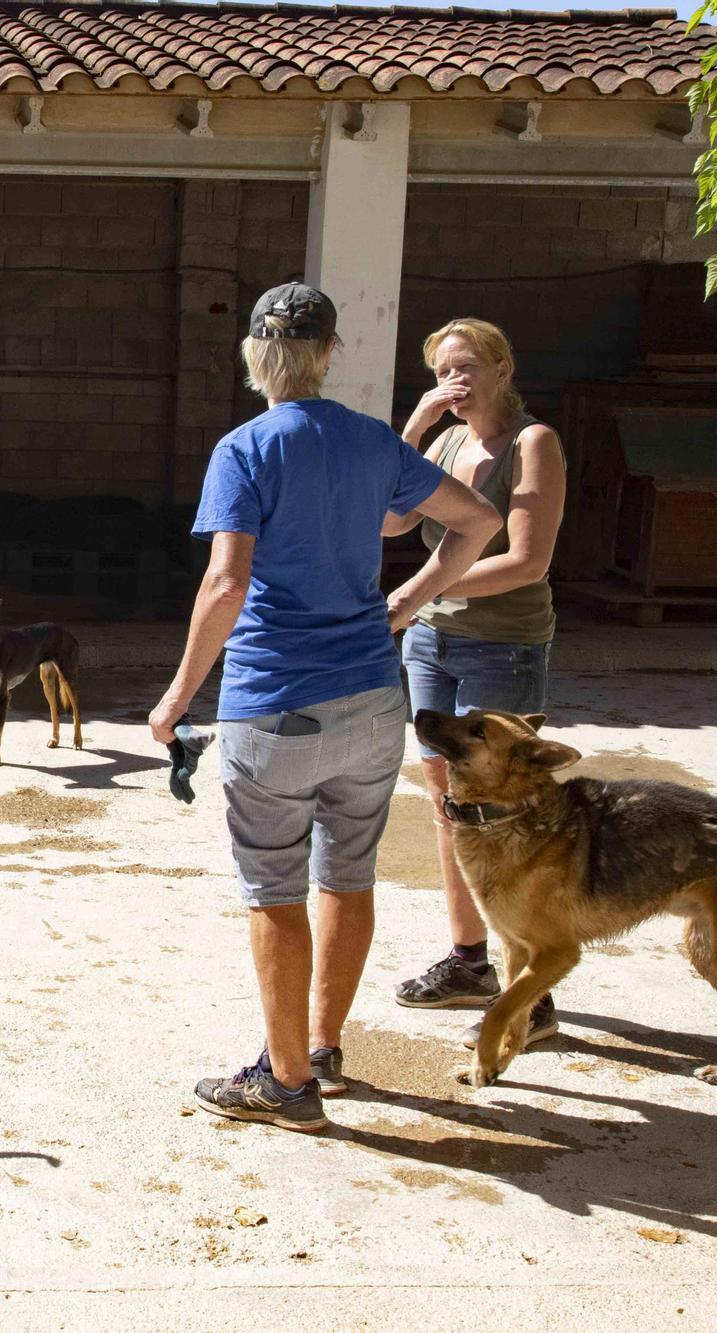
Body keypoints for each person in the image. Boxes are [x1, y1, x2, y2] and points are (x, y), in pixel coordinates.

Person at [150, 283, 499, 1132]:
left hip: (277, 703)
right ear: (331, 353)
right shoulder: (374, 441)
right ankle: (323, 1048)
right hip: (375, 696)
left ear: (254, 360)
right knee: (347, 872)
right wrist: (409, 600)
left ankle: (288, 1083)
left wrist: (176, 696)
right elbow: (480, 520)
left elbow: (227, 582)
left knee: (274, 888)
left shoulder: (244, 449)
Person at [389, 319, 568, 1049]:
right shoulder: (448, 440)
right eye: (442, 372)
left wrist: (420, 593)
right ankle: (470, 961)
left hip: (504, 646)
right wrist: (418, 421)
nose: (454, 383)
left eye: (465, 369)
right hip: (434, 642)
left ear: (503, 365)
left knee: (512, 820)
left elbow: (528, 560)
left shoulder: (534, 443)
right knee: (448, 808)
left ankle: (536, 993)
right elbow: (390, 521)